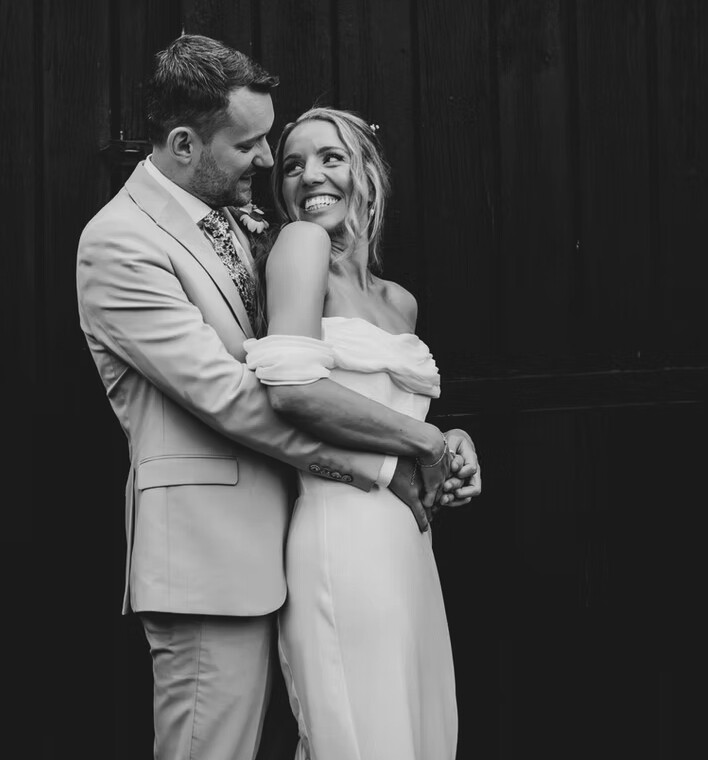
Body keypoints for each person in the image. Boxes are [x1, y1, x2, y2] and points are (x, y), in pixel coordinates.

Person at [76, 35, 477, 760]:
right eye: (254, 146)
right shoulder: (119, 243)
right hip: (212, 558)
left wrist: (439, 438)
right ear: (183, 144)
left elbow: (346, 375)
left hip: (296, 532)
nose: (268, 164)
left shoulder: (237, 219)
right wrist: (390, 462)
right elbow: (234, 395)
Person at [243, 107, 481, 759]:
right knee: (362, 736)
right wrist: (421, 441)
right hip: (341, 536)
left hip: (407, 543)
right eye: (292, 165)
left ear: (367, 174)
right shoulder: (301, 247)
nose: (309, 175)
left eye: (330, 157)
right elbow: (292, 390)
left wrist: (451, 441)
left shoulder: (399, 300)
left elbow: (393, 412)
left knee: (417, 730)